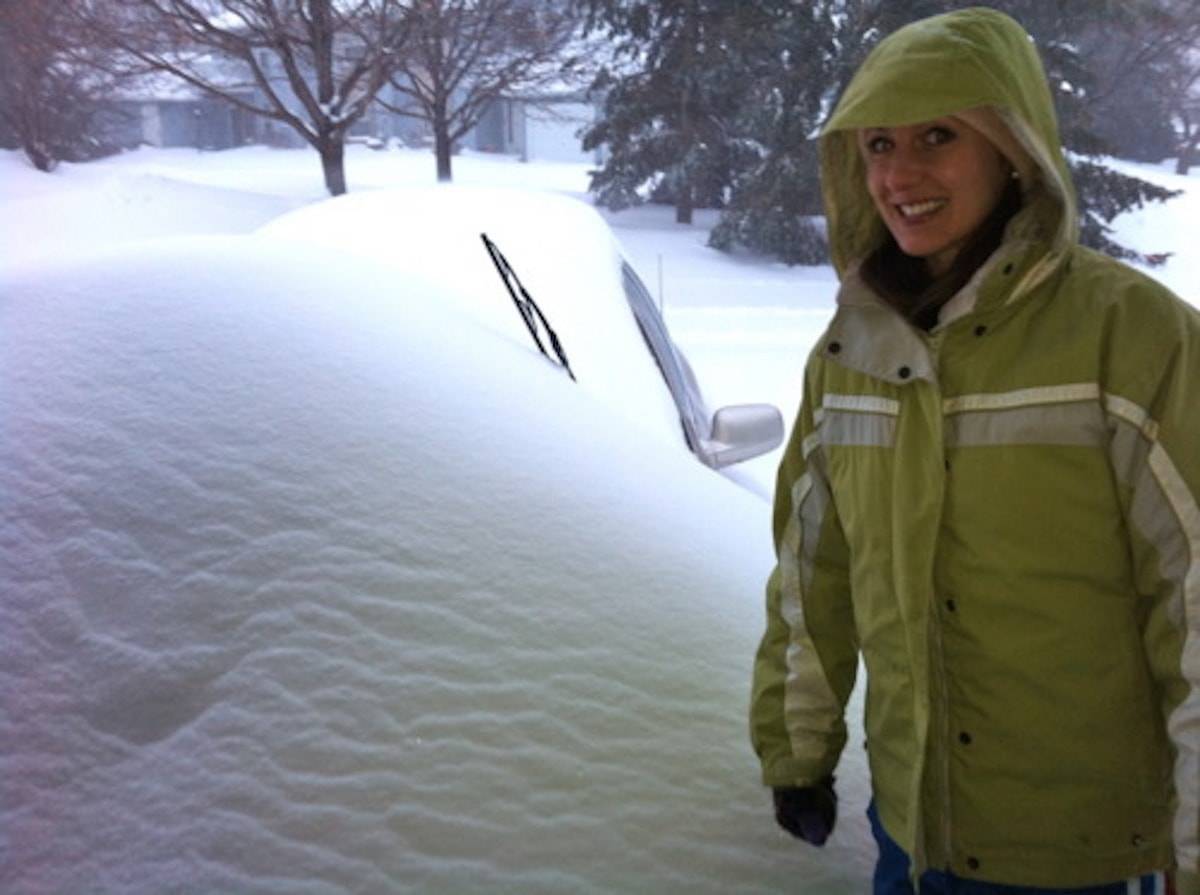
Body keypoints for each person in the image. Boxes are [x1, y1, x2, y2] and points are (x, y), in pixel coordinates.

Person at [749, 7, 1200, 894]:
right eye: (877, 144)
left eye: (937, 136)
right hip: (912, 837)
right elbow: (814, 573)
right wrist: (798, 745)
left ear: (1013, 149)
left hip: (1088, 856)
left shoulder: (1136, 339)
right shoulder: (851, 357)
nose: (899, 173)